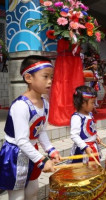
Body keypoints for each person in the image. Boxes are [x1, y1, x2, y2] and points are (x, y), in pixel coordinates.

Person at [0, 55, 61, 199]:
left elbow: (41, 131)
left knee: (32, 192)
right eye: (45, 76)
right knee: (18, 197)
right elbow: (21, 140)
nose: (50, 81)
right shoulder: (20, 106)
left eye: (51, 77)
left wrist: (50, 150)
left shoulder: (45, 103)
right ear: (28, 78)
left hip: (32, 152)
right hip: (15, 154)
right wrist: (42, 160)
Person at [69, 86, 102, 163]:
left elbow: (91, 130)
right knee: (83, 173)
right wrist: (85, 147)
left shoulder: (90, 114)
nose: (94, 105)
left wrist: (95, 136)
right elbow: (74, 135)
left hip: (93, 147)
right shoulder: (77, 117)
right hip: (83, 150)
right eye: (92, 102)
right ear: (83, 103)